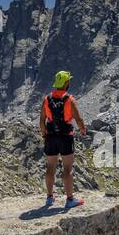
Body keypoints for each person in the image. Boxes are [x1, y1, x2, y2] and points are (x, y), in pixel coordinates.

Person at [40, 70, 87, 208]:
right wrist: (83, 130)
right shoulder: (69, 99)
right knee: (67, 168)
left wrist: (45, 135)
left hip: (50, 136)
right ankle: (70, 199)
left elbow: (42, 120)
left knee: (50, 167)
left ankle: (49, 198)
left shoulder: (47, 99)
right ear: (66, 83)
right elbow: (78, 118)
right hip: (65, 136)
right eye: (68, 81)